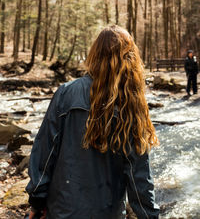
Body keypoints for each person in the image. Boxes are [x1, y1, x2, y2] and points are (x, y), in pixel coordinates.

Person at [26, 25, 160, 219]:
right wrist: (149, 216)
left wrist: (36, 202)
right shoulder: (131, 104)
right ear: (130, 58)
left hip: (62, 210)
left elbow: (45, 154)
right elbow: (138, 175)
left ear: (94, 54)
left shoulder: (66, 92)